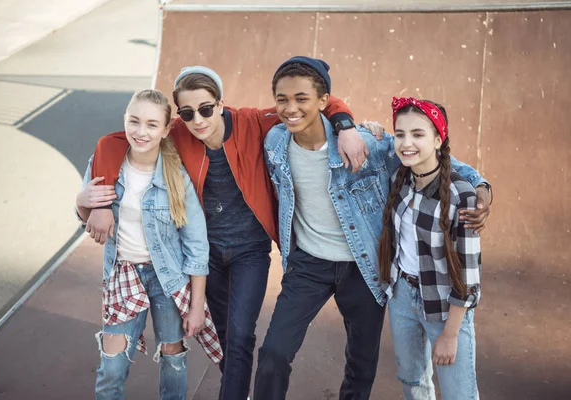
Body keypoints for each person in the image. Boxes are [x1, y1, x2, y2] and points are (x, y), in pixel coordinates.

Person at [78, 66, 366, 400]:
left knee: (242, 335)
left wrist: (345, 125)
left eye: (205, 109)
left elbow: (316, 103)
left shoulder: (252, 122)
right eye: (187, 113)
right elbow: (114, 142)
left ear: (220, 103)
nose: (198, 120)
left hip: (250, 251)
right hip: (207, 252)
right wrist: (94, 203)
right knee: (228, 337)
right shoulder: (179, 132)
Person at [254, 57, 491, 400]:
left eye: (301, 98)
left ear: (323, 101)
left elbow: (430, 158)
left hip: (363, 266)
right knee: (274, 352)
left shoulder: (367, 143)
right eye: (282, 99)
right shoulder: (275, 141)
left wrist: (480, 184)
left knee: (361, 363)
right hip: (308, 264)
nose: (291, 108)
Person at [76, 89, 216, 400]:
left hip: (169, 278)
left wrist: (196, 308)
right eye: (134, 121)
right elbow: (86, 218)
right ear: (124, 121)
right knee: (111, 367)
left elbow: (197, 247)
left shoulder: (176, 177)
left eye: (152, 125)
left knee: (173, 357)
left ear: (166, 129)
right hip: (123, 274)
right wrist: (81, 202)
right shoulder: (104, 162)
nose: (141, 132)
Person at [378, 97, 482, 399]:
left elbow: (468, 275)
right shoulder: (399, 178)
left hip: (445, 307)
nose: (406, 143)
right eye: (400, 134)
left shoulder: (461, 195)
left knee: (458, 393)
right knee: (413, 383)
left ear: (438, 139)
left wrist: (450, 335)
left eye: (418, 134)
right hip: (402, 299)